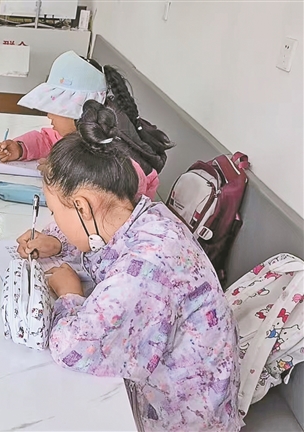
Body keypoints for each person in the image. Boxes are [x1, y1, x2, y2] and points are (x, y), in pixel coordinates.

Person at [16, 101, 241, 431]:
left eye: (55, 212)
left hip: (181, 416)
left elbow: (74, 349)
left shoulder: (145, 267)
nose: (54, 221)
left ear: (82, 207)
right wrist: (59, 242)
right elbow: (104, 249)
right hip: (183, 386)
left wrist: (68, 293)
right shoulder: (148, 216)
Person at [0, 50, 172, 200]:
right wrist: (20, 148)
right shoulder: (88, 127)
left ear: (78, 110)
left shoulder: (115, 146)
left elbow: (112, 190)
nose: (49, 115)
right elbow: (49, 139)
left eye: (56, 108)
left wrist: (60, 174)